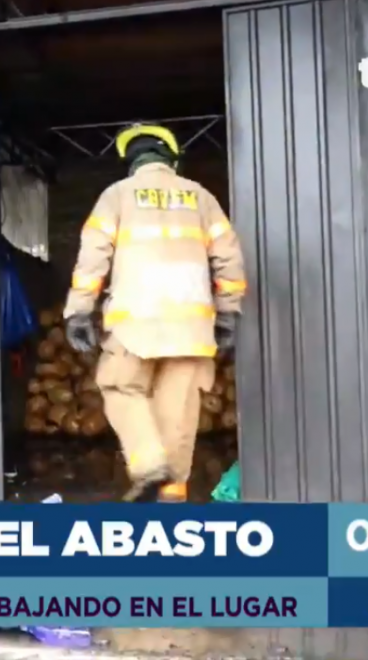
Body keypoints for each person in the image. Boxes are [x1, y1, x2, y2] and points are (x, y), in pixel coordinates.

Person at [62, 123, 247, 503]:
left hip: (136, 326)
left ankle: (148, 467)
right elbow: (228, 257)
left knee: (120, 387)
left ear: (132, 161)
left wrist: (79, 312)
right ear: (172, 159)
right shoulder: (201, 197)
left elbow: (93, 258)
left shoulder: (116, 196)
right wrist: (229, 313)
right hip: (192, 330)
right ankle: (170, 506)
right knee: (176, 416)